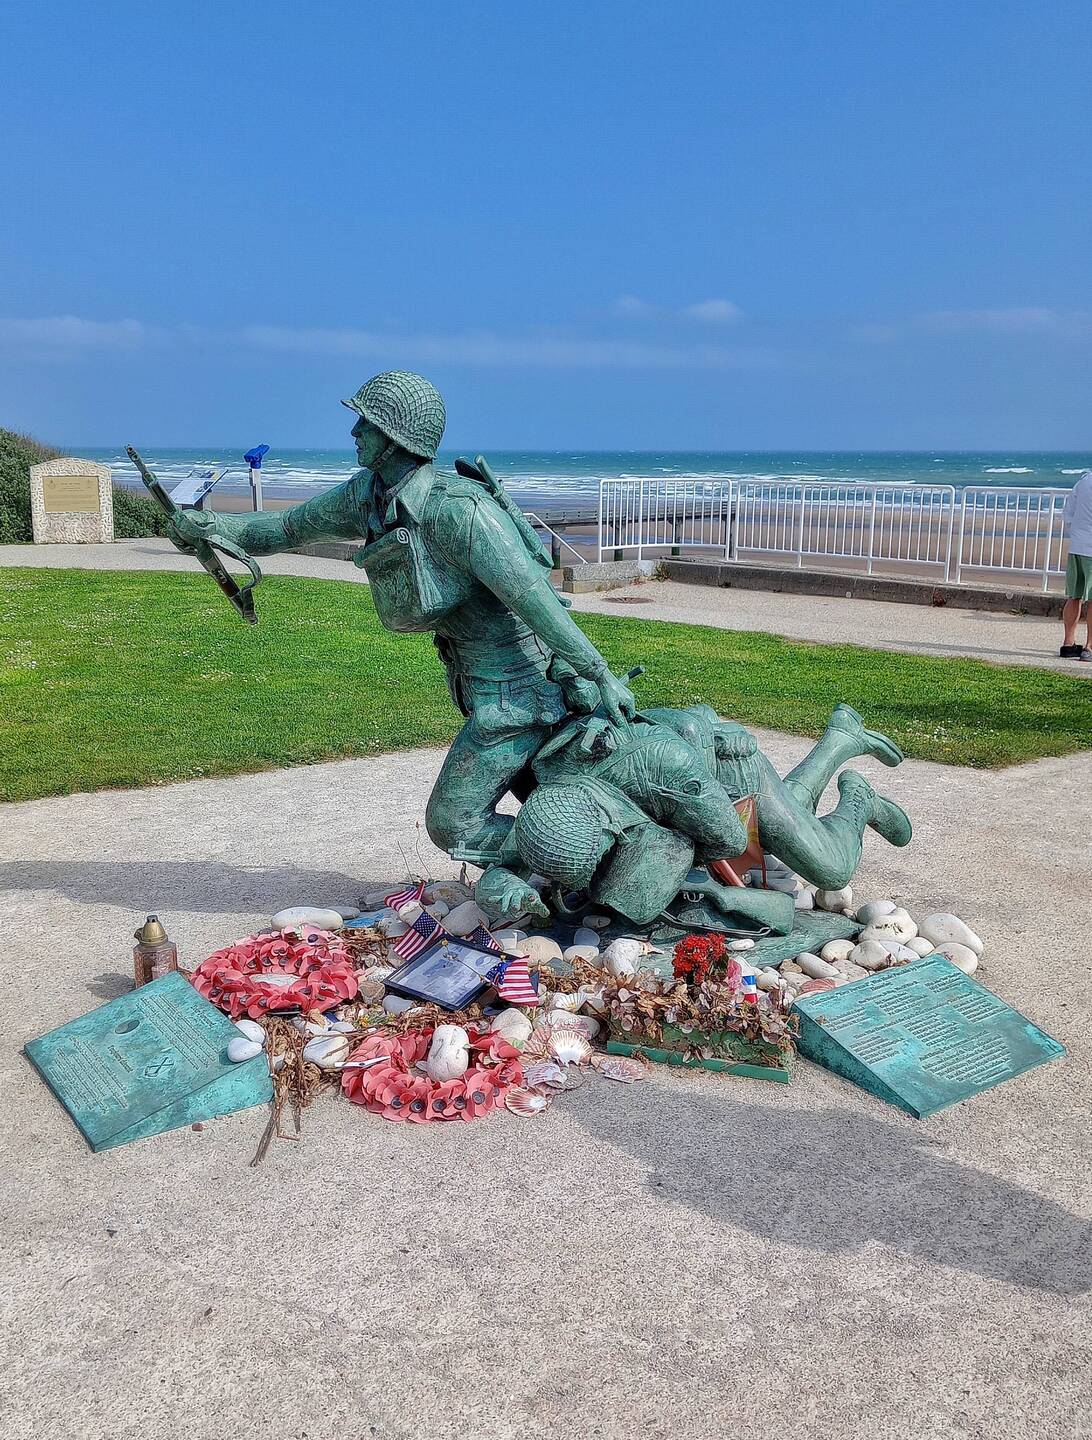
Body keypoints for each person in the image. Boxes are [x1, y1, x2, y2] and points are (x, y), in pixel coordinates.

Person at [165, 371, 636, 911]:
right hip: (479, 688)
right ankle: (571, 869)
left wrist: (600, 674)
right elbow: (287, 529)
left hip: (523, 694)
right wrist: (209, 528)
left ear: (394, 438)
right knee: (540, 802)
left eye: (365, 423)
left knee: (453, 822)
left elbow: (538, 602)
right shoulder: (368, 496)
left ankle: (600, 860)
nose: (354, 433)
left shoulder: (460, 511)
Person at [1061, 469, 1092, 661]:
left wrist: (1076, 533)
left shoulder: (1084, 481)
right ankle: (1090, 647)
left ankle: (1068, 644)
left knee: (1074, 596)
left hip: (1078, 546)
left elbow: (1068, 512)